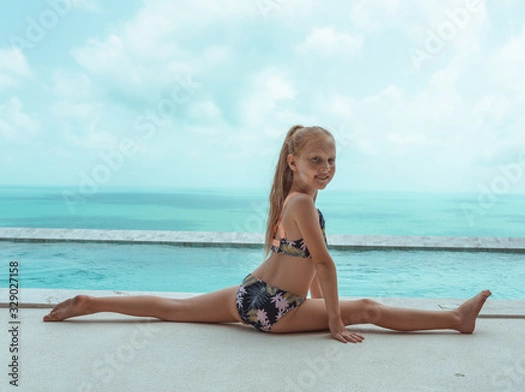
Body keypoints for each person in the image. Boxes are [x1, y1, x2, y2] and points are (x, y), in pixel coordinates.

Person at [44, 125, 491, 343]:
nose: (327, 168)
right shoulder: (301, 204)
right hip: (276, 310)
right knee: (368, 309)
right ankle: (455, 319)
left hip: (249, 293)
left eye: (332, 160)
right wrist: (334, 319)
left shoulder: (289, 201)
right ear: (294, 162)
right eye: (317, 160)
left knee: (174, 307)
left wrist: (317, 302)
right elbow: (323, 264)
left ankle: (94, 301)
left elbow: (305, 265)